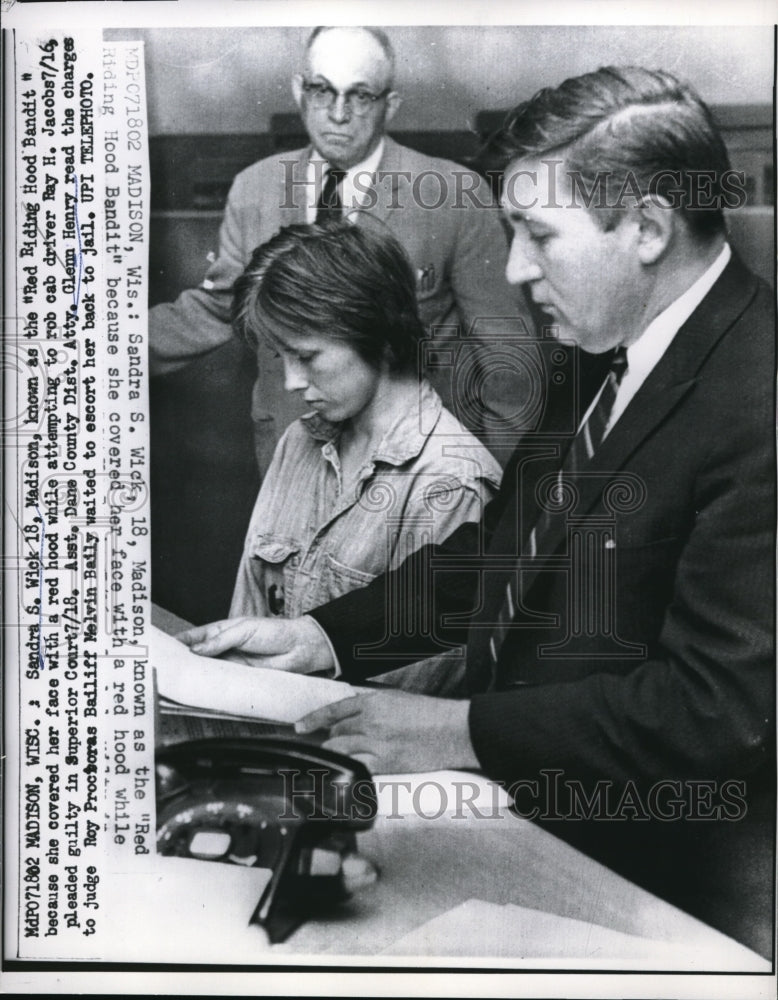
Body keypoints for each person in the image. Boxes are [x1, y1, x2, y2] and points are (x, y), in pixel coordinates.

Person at [179, 67, 775, 956]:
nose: (512, 269)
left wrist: (457, 729)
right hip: (531, 821)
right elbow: (500, 553)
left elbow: (718, 711)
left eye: (537, 235)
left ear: (647, 227)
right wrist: (326, 638)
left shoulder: (757, 390)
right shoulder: (598, 349)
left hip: (671, 895)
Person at [149, 26, 535, 471]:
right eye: (321, 90)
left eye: (360, 95)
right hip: (290, 458)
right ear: (299, 90)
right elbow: (218, 309)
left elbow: (509, 357)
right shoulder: (255, 188)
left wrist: (503, 489)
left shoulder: (453, 193)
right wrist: (103, 349)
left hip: (415, 468)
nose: (337, 113)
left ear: (390, 105)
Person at [228, 221, 501, 691]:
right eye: (280, 358)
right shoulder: (298, 441)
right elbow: (248, 609)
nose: (292, 382)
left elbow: (417, 696)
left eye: (308, 356)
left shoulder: (452, 479)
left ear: (378, 333)